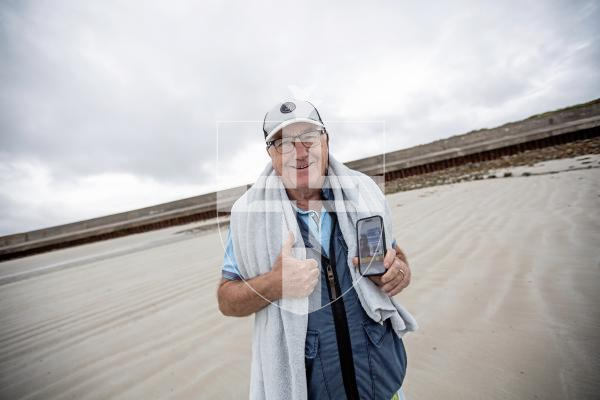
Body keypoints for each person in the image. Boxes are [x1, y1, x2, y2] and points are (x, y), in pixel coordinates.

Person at [217, 100, 415, 400]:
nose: (300, 152)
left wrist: (399, 271)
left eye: (309, 137)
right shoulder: (248, 216)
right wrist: (273, 283)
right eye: (284, 143)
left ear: (326, 141)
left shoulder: (364, 193)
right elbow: (226, 300)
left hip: (383, 383)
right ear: (270, 154)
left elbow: (395, 256)